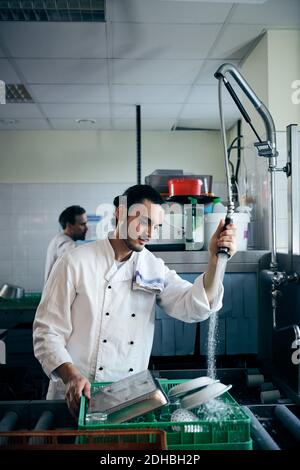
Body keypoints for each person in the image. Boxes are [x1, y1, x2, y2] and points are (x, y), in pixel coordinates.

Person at [33, 185, 236, 416]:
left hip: (127, 400)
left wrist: (215, 261)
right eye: (145, 221)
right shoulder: (74, 262)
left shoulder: (151, 266)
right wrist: (70, 375)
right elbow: (46, 332)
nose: (150, 233)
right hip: (73, 396)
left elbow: (194, 306)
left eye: (156, 226)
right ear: (120, 213)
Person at [44, 205, 88, 282]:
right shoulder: (64, 243)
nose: (86, 228)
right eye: (82, 224)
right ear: (69, 226)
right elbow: (74, 263)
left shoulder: (59, 239)